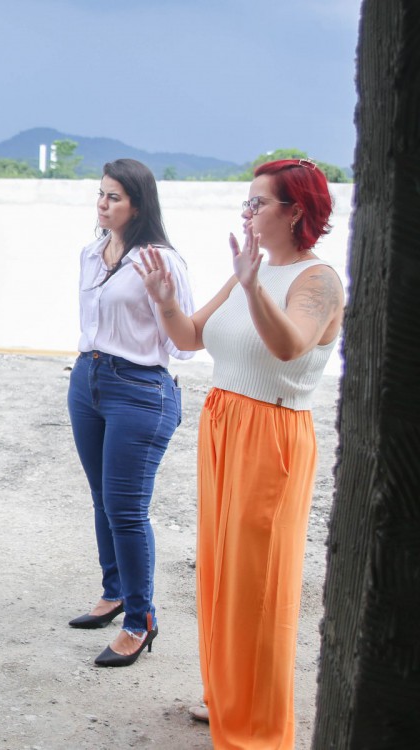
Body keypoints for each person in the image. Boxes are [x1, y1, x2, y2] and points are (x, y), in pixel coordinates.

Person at [135, 159, 342, 748]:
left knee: (261, 582)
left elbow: (288, 346)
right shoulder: (250, 271)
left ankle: (258, 727)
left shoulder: (317, 281)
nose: (246, 213)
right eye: (246, 203)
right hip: (224, 423)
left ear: (294, 211)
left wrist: (252, 287)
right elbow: (189, 337)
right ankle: (227, 695)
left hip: (272, 431)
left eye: (257, 204)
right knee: (222, 572)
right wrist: (163, 299)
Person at [66, 159, 194, 668]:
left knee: (126, 509)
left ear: (138, 204)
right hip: (88, 380)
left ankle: (141, 620)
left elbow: (183, 345)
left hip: (140, 389)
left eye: (114, 197)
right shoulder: (92, 254)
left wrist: (163, 304)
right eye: (100, 194)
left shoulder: (161, 261)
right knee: (103, 499)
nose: (102, 204)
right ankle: (114, 590)